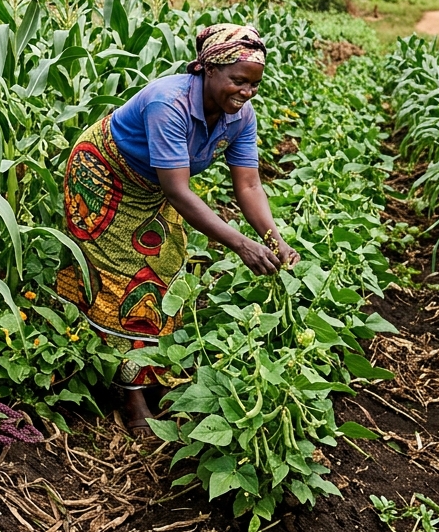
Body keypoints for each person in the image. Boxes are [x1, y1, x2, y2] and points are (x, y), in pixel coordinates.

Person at [55, 24, 300, 433]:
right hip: (104, 177)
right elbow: (178, 190)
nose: (246, 92)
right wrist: (240, 244)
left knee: (165, 269)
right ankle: (129, 397)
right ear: (208, 69)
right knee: (126, 276)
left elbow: (249, 183)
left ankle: (146, 372)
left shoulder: (239, 116)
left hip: (153, 186)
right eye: (238, 81)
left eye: (254, 85)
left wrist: (275, 240)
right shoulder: (168, 104)